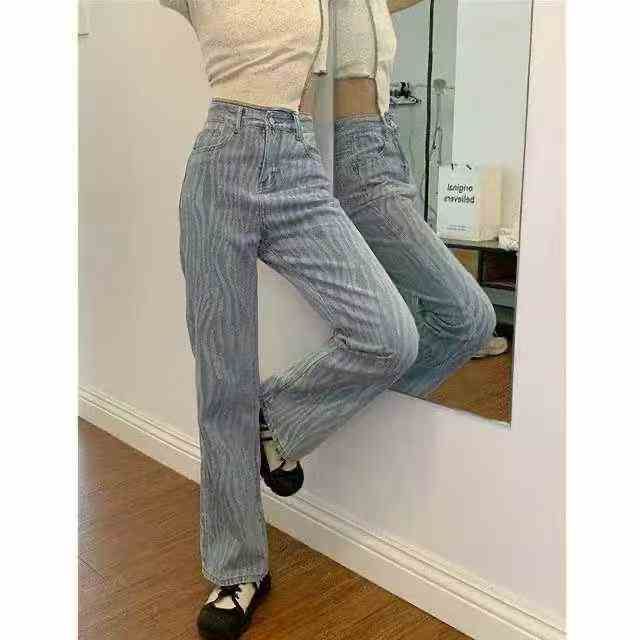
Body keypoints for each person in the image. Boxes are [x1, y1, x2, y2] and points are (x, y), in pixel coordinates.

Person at [159, 2, 420, 638]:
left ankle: (271, 421)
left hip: (299, 165)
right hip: (220, 166)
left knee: (390, 335)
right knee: (223, 381)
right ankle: (237, 570)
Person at [332, 0, 497, 398]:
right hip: (356, 151)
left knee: (408, 326)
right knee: (468, 317)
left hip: (384, 143)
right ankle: (338, 411)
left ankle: (384, 418)